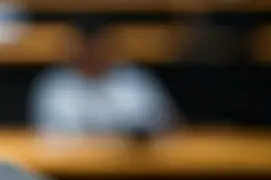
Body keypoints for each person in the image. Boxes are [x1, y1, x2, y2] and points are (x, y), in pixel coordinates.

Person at [30, 21, 178, 137]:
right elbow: (46, 137)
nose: (91, 53)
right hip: (68, 165)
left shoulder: (136, 81)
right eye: (85, 47)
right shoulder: (53, 85)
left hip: (133, 165)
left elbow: (164, 127)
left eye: (97, 46)